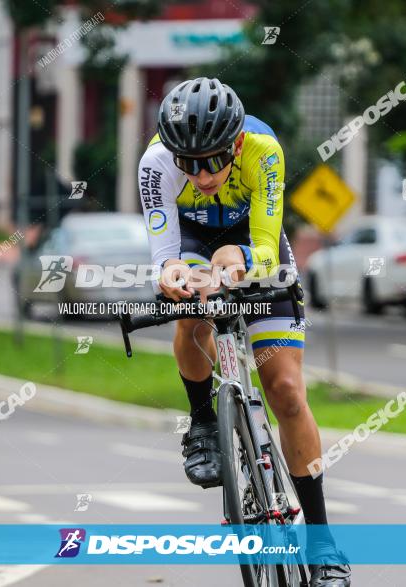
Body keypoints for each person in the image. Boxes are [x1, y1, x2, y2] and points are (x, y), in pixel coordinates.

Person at [137, 77, 350, 586]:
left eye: (212, 160)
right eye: (188, 164)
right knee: (189, 310)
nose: (202, 174)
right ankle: (203, 423)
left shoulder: (263, 150)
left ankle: (323, 546)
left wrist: (237, 263)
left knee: (287, 392)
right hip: (192, 236)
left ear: (234, 145)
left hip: (253, 241)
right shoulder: (155, 164)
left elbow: (266, 251)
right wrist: (175, 279)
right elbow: (164, 258)